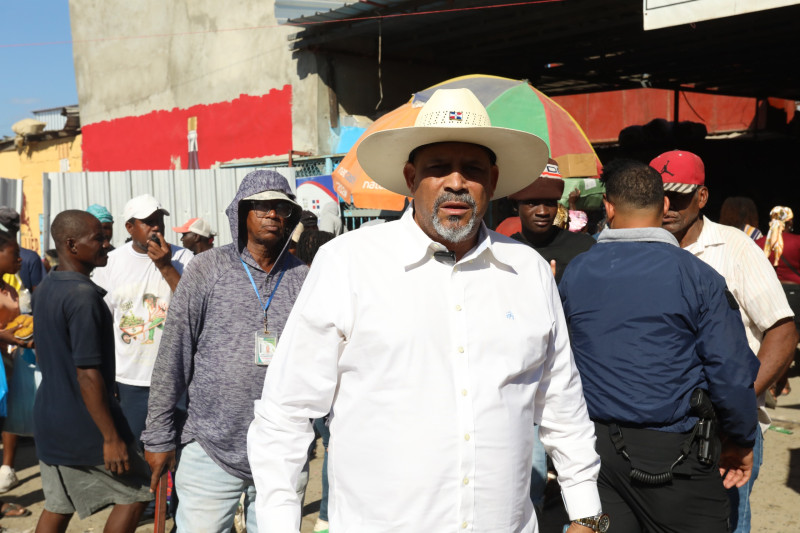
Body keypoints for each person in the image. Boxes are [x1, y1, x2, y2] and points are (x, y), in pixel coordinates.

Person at [248, 88, 605, 533]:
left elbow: (563, 402)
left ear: (492, 182)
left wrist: (586, 512)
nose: (456, 182)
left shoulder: (527, 272)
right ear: (411, 177)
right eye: (439, 168)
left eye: (472, 170)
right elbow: (286, 412)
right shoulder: (349, 264)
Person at [560, 159, 760, 532]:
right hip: (678, 458)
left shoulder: (576, 273)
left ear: (608, 207)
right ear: (665, 206)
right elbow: (731, 374)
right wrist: (740, 440)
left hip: (597, 452)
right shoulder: (698, 276)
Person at [142, 170, 309, 533]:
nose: (272, 214)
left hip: (283, 451)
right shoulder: (207, 269)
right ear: (242, 212)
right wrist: (158, 435)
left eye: (281, 207)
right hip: (209, 446)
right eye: (262, 205)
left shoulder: (304, 279)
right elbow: (173, 355)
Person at [651, 150, 798, 533]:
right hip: (657, 429)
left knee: (726, 524)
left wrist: (741, 400)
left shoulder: (735, 249)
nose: (666, 207)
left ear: (702, 197)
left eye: (678, 196)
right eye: (659, 196)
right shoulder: (641, 249)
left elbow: (782, 330)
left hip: (725, 433)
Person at [33, 210, 152, 533]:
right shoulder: (83, 297)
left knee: (59, 505)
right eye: (97, 238)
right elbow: (87, 373)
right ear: (71, 245)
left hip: (48, 418)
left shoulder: (47, 287)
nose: (106, 244)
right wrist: (111, 437)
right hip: (84, 423)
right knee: (138, 491)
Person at [91, 194, 193, 451]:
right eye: (148, 221)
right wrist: (108, 376)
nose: (156, 226)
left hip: (177, 379)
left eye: (159, 220)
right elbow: (101, 323)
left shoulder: (184, 259)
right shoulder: (109, 263)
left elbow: (193, 310)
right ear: (129, 227)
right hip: (131, 382)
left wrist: (165, 267)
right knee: (139, 452)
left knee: (179, 452)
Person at [509, 158, 595, 283]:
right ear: (515, 206)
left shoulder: (585, 248)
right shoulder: (504, 253)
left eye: (550, 203)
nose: (543, 212)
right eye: (533, 203)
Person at [756, 206, 800, 397]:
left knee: (769, 338)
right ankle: (776, 381)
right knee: (791, 339)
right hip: (794, 293)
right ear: (789, 222)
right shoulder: (797, 242)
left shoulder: (759, 242)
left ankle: (778, 381)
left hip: (767, 292)